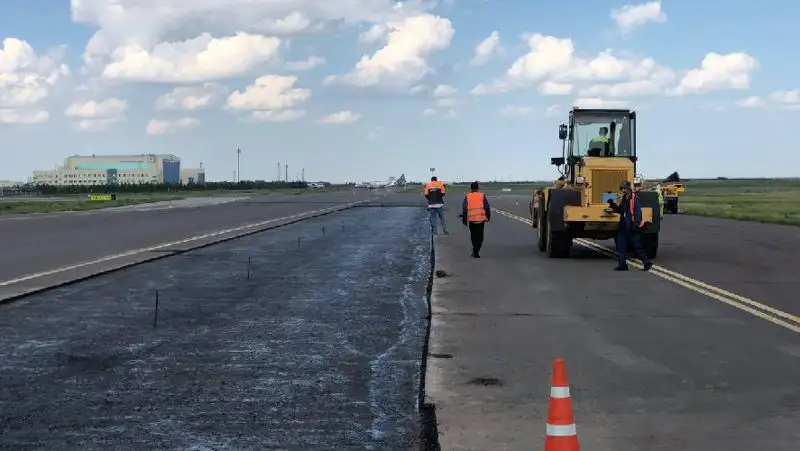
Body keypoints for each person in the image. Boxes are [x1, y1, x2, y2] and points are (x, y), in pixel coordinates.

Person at [607, 181, 652, 271]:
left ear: (629, 189)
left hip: (632, 226)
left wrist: (636, 224)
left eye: (625, 188)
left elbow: (638, 212)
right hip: (623, 226)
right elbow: (620, 210)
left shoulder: (634, 198)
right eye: (622, 189)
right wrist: (612, 204)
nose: (623, 190)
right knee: (621, 247)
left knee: (637, 246)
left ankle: (646, 263)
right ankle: (622, 265)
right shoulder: (624, 198)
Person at [461, 181, 491, 258]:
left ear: (471, 188)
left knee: (473, 236)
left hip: (472, 220)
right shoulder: (482, 195)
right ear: (478, 188)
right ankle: (476, 251)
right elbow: (487, 207)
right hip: (481, 220)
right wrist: (488, 216)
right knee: (480, 237)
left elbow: (464, 209)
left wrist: (464, 219)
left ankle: (475, 250)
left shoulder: (467, 196)